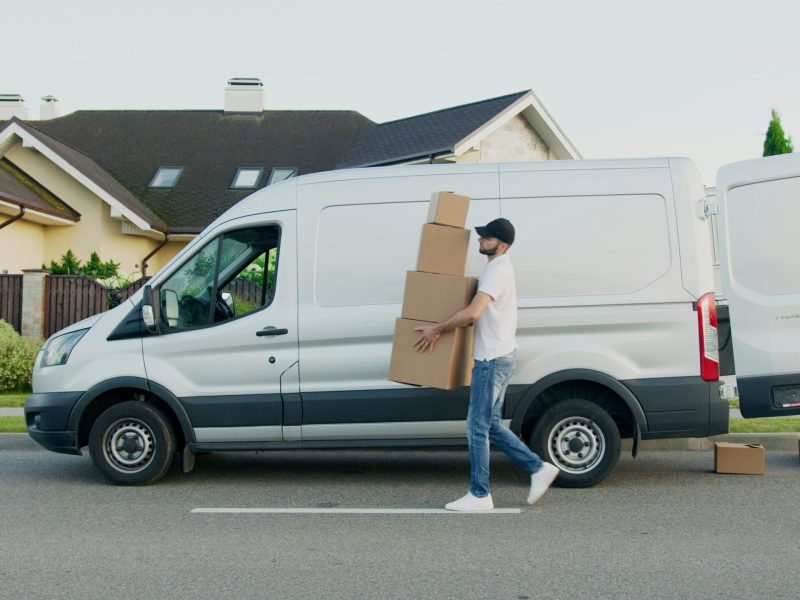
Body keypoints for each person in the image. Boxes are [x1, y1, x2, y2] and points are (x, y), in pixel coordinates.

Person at [414, 218, 560, 511]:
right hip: (501, 354)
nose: (480, 240)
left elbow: (472, 313)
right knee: (490, 424)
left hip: (492, 359)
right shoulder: (497, 268)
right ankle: (538, 467)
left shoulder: (498, 270)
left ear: (502, 245)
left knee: (476, 426)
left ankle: (480, 494)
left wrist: (437, 329)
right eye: (481, 236)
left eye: (487, 238)